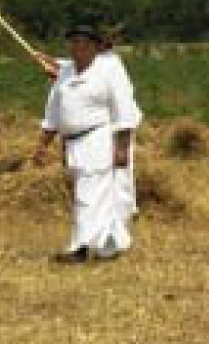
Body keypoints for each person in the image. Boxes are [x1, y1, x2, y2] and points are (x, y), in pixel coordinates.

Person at [33, 25, 143, 263]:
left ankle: (81, 247)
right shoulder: (66, 74)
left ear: (94, 47)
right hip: (73, 143)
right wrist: (43, 144)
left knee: (90, 194)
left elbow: (124, 108)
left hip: (99, 139)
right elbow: (54, 112)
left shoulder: (109, 70)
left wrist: (122, 147)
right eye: (73, 43)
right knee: (97, 195)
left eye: (83, 43)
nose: (77, 48)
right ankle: (108, 246)